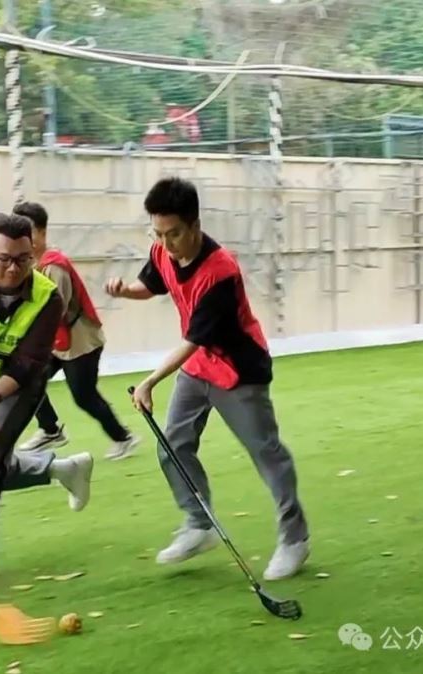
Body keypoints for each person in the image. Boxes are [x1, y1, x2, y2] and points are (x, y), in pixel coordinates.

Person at [104, 176, 310, 581]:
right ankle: (199, 525)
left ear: (195, 225)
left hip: (238, 370)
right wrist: (125, 290)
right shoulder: (163, 251)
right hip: (199, 367)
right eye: (159, 233)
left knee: (267, 453)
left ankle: (295, 539)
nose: (166, 243)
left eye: (175, 233)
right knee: (173, 445)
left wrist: (149, 382)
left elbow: (193, 340)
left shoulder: (221, 272)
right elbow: (151, 284)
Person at [0, 212, 94, 596]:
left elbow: (27, 364)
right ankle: (63, 469)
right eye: (3, 259)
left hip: (20, 387)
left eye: (23, 259)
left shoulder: (48, 297)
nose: (13, 268)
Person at [12, 201, 141, 461]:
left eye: (28, 233)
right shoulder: (29, 265)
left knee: (84, 396)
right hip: (55, 341)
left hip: (80, 342)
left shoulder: (54, 266)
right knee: (26, 380)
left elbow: (54, 312)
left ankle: (123, 438)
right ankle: (50, 430)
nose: (21, 240)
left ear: (42, 233)